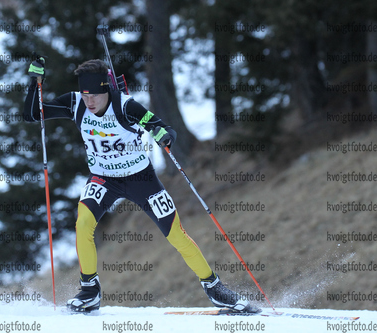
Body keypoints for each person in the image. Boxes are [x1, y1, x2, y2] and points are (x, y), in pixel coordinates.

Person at [23, 57, 259, 314]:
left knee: (176, 233)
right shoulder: (76, 102)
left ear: (107, 90)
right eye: (85, 94)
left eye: (95, 96)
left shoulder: (126, 106)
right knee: (83, 223)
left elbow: (159, 125)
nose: (89, 101)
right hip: (103, 178)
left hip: (141, 179)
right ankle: (90, 290)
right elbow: (33, 114)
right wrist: (34, 83)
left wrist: (162, 135)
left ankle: (215, 289)